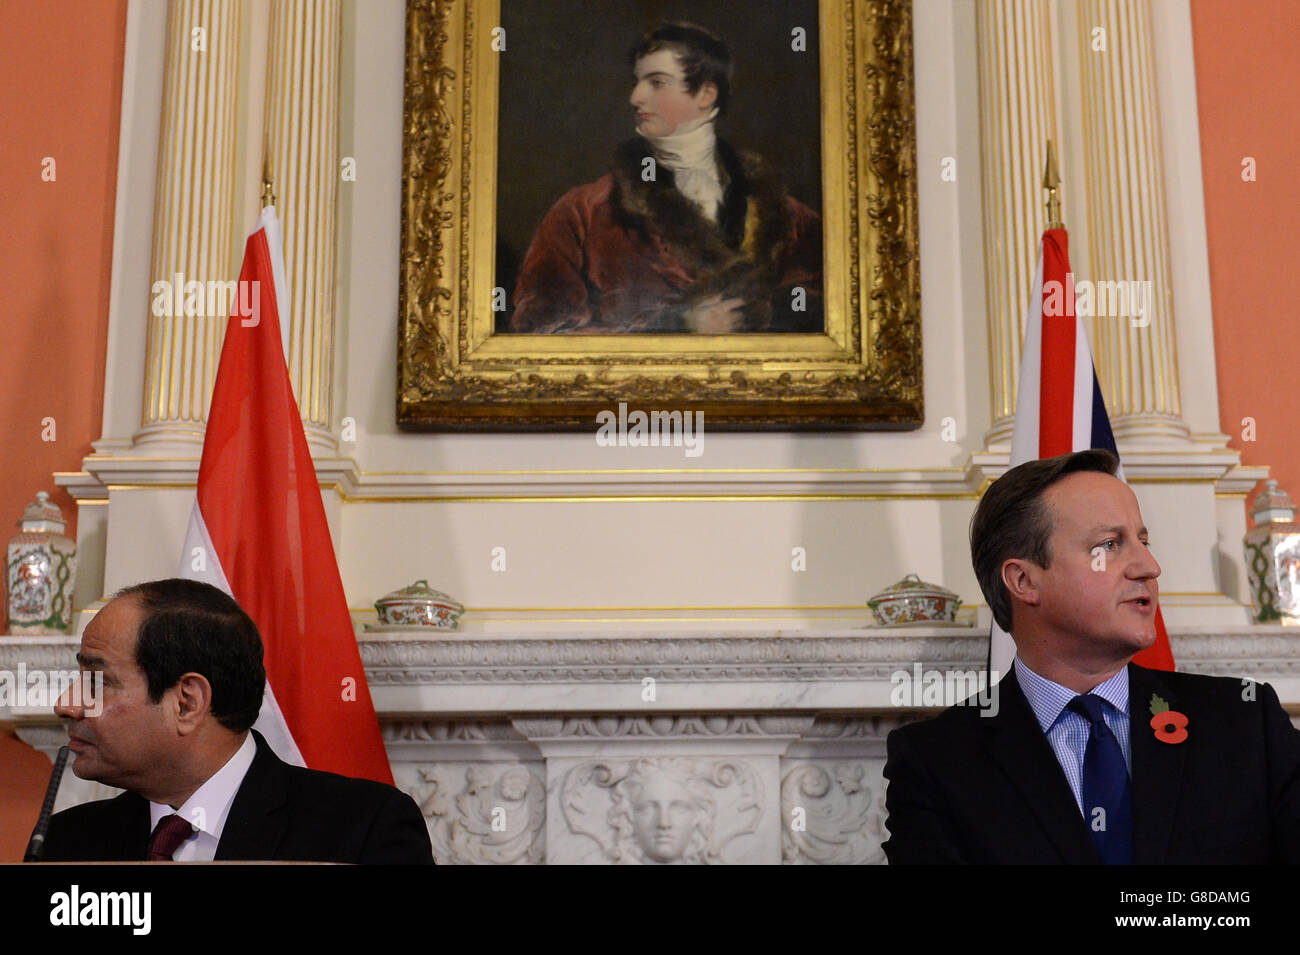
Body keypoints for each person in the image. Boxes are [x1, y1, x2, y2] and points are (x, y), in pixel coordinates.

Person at [883, 449, 1300, 864]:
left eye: (1143, 541)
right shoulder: (936, 761)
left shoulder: (1247, 723)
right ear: (1024, 580)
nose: (1149, 566)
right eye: (1109, 545)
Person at [39, 578, 434, 864]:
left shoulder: (364, 828)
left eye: (99, 681)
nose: (66, 705)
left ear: (187, 702)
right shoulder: (67, 841)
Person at [509, 22, 822, 334]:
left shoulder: (785, 214)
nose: (635, 97)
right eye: (637, 81)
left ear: (706, 94)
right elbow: (541, 337)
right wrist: (674, 327)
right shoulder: (584, 211)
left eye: (657, 82)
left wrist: (765, 315)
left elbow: (849, 311)